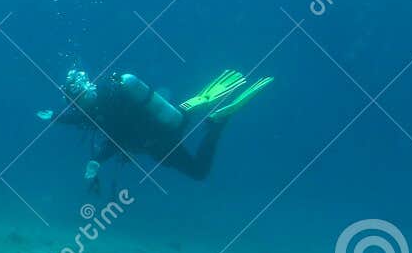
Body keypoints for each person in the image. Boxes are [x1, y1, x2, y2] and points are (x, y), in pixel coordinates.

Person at [40, 68, 272, 192]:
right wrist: (55, 116)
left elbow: (117, 137)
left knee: (198, 171)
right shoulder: (103, 96)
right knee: (179, 115)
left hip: (159, 144)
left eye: (76, 103)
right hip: (169, 120)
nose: (76, 107)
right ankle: (197, 112)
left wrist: (97, 161)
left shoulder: (104, 109)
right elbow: (78, 118)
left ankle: (217, 125)